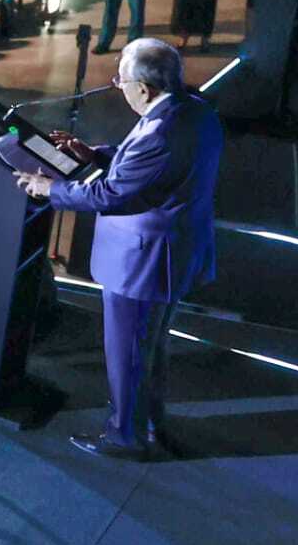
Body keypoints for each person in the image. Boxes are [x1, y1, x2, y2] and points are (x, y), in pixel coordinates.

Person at [15, 39, 221, 460]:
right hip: (173, 253)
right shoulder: (193, 110)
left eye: (121, 81)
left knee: (126, 352)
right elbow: (153, 167)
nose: (118, 87)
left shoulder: (159, 130)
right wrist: (97, 154)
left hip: (142, 260)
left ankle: (124, 436)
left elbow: (111, 196)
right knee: (150, 347)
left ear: (144, 88)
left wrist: (50, 188)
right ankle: (148, 421)